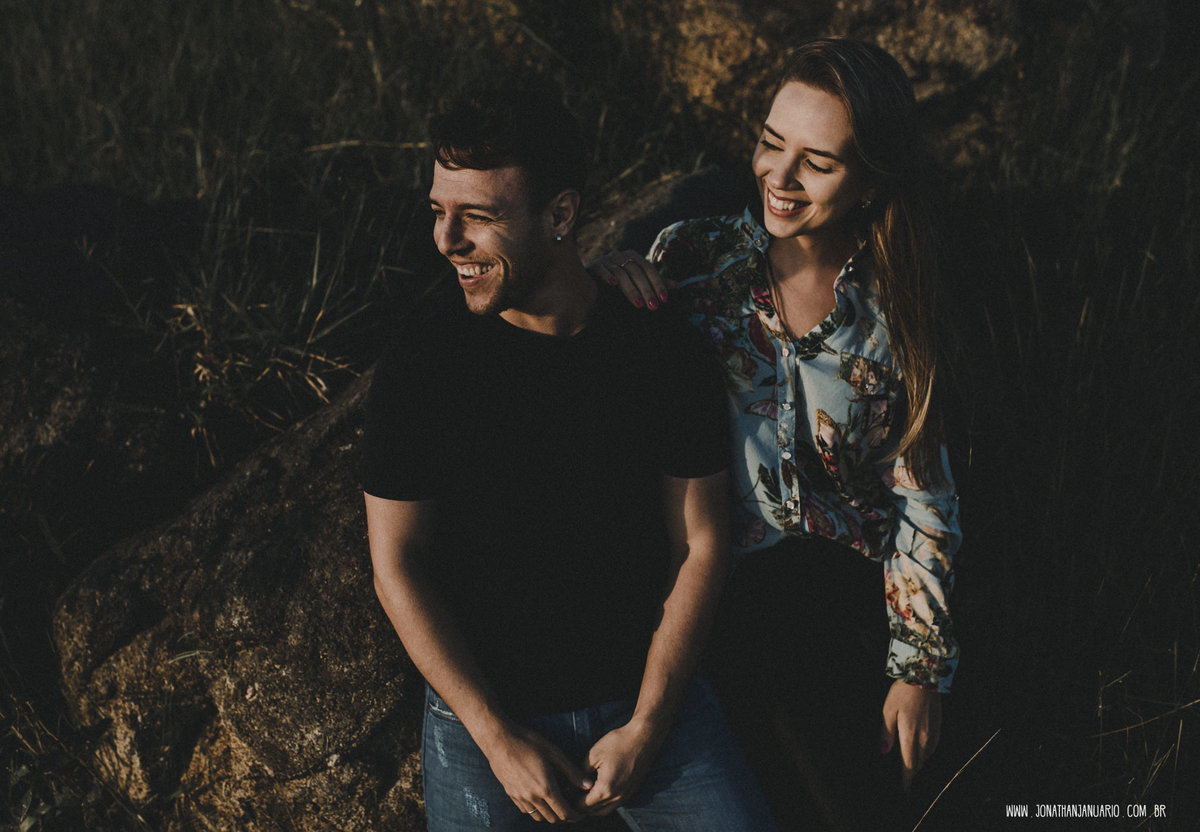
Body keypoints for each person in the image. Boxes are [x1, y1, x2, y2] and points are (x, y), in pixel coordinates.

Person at [360, 86, 777, 832]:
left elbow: (701, 543)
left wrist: (649, 724)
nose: (446, 240)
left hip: (653, 707)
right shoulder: (422, 359)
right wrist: (494, 736)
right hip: (482, 725)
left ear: (559, 216)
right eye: (437, 210)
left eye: (478, 217)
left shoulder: (657, 346)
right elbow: (397, 560)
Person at [590, 38, 962, 831]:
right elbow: (607, 400)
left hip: (844, 608)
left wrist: (919, 669)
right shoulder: (692, 259)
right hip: (714, 590)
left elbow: (923, 501)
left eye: (816, 162)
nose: (779, 178)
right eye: (770, 143)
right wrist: (607, 279)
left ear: (869, 180)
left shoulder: (899, 315)